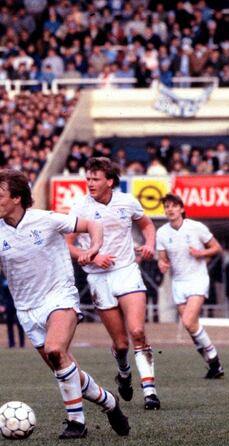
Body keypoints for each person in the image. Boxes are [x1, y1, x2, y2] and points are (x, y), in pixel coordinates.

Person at [0, 169, 129, 439]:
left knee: (56, 349)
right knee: (64, 367)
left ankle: (76, 422)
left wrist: (93, 248)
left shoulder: (46, 219)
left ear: (17, 198)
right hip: (26, 310)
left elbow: (94, 225)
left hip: (60, 297)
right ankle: (108, 402)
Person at [65, 157, 161, 410]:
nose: (90, 183)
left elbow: (147, 225)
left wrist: (150, 244)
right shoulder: (79, 208)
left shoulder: (127, 202)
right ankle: (124, 373)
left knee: (137, 331)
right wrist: (93, 257)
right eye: (88, 178)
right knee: (120, 344)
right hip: (98, 278)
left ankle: (150, 391)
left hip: (127, 270)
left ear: (109, 181)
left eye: (95, 179)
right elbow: (68, 244)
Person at [156, 194, 224, 378]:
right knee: (191, 327)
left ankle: (214, 358)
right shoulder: (162, 233)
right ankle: (213, 366)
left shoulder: (196, 227)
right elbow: (163, 260)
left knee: (187, 321)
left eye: (173, 206)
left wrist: (201, 252)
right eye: (166, 206)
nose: (169, 209)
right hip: (178, 282)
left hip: (197, 279)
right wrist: (162, 265)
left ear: (181, 209)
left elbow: (217, 248)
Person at [0, 272, 24, 348]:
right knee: (9, 325)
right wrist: (1, 304)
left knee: (19, 324)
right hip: (7, 303)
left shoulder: (17, 273)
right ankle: (11, 344)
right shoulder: (2, 275)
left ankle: (22, 344)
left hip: (18, 303)